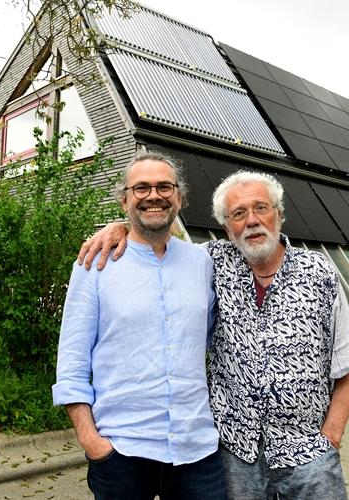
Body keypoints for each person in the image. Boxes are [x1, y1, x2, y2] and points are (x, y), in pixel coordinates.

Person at [79, 169, 349, 499]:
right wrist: (120, 228)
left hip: (308, 455)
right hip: (234, 457)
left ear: (279, 215)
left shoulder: (319, 271)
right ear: (227, 228)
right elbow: (155, 237)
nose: (252, 221)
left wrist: (330, 436)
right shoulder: (207, 262)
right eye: (238, 214)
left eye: (261, 208)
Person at [52, 152, 227, 500]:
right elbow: (72, 362)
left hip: (198, 451)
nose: (153, 196)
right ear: (124, 198)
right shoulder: (94, 264)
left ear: (179, 197)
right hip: (122, 452)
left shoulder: (204, 262)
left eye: (164, 186)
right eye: (141, 188)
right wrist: (93, 443)